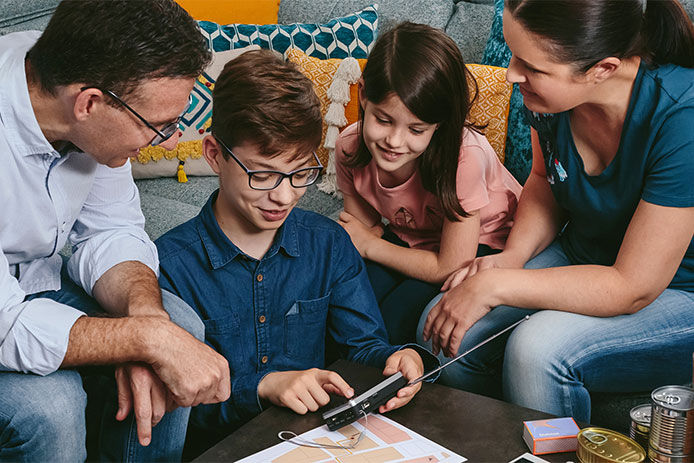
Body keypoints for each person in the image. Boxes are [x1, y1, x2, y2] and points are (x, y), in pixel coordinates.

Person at [418, 0, 694, 422]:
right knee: (442, 328)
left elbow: (631, 285)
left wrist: (498, 286)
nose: (511, 74)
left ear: (602, 69)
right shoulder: (546, 98)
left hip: (674, 291)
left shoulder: (682, 118)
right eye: (513, 54)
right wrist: (511, 260)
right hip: (586, 254)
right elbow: (545, 181)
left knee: (537, 352)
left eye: (531, 66)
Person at [155, 49, 437, 456]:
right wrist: (263, 387)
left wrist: (400, 359)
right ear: (215, 154)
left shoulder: (328, 244)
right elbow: (168, 408)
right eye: (263, 174)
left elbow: (362, 348)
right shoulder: (169, 267)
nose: (284, 195)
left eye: (301, 172)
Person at [0, 1, 231, 461]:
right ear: (89, 103)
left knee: (177, 323)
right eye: (157, 126)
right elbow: (5, 326)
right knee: (53, 406)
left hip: (31, 285)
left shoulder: (69, 78)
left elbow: (112, 229)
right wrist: (145, 340)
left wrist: (146, 319)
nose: (167, 141)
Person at [335, 22, 522, 344]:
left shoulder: (465, 158)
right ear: (363, 95)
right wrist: (367, 245)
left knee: (393, 325)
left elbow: (449, 265)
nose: (395, 141)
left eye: (416, 130)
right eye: (383, 120)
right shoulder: (349, 146)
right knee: (343, 311)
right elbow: (359, 232)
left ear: (439, 124)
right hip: (410, 239)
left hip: (481, 245)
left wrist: (371, 245)